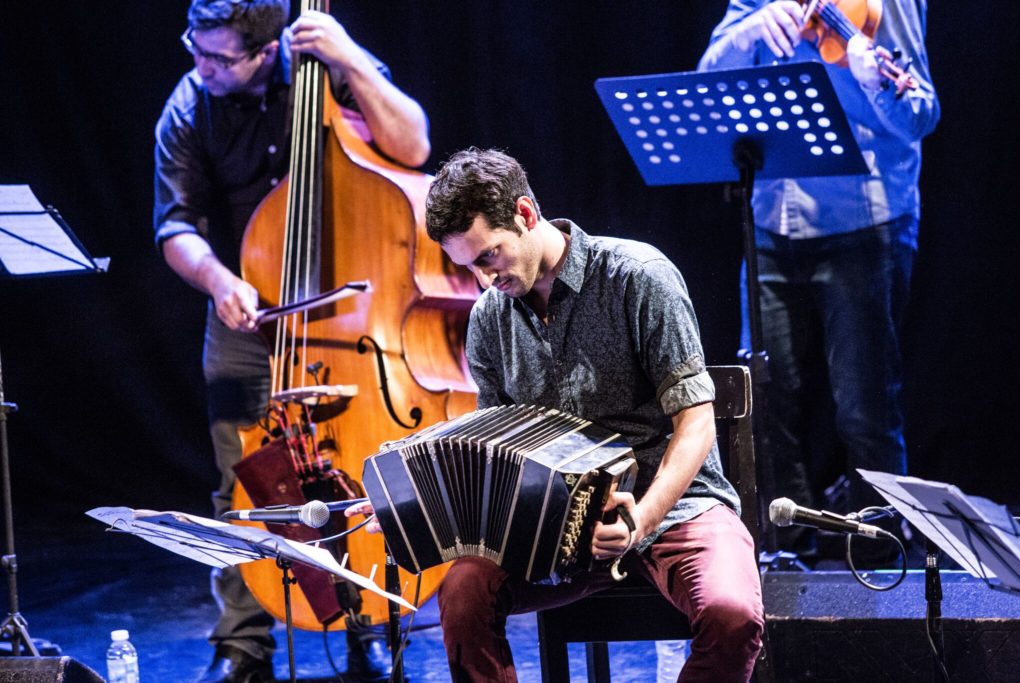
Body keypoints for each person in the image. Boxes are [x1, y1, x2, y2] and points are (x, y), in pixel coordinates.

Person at [351, 148, 764, 682]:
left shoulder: (638, 276)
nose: (484, 279)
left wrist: (640, 518)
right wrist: (413, 504)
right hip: (548, 527)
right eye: (469, 266)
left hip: (673, 506)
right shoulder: (489, 319)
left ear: (525, 213)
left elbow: (696, 421)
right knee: (463, 595)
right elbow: (490, 454)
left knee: (733, 615)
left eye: (489, 256)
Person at [153, 1, 430, 681]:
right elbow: (174, 225)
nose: (201, 65)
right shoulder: (189, 103)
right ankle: (243, 644)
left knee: (358, 475)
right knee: (242, 481)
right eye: (195, 48)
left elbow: (414, 147)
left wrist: (350, 57)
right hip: (248, 308)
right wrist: (219, 281)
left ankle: (367, 624)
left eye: (219, 57)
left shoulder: (325, 67)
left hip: (349, 314)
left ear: (264, 50)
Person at [698, 1, 939, 560]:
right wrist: (751, 30)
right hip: (771, 218)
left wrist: (873, 81)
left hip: (863, 221)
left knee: (864, 408)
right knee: (764, 400)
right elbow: (709, 73)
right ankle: (786, 550)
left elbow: (921, 112)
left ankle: (880, 556)